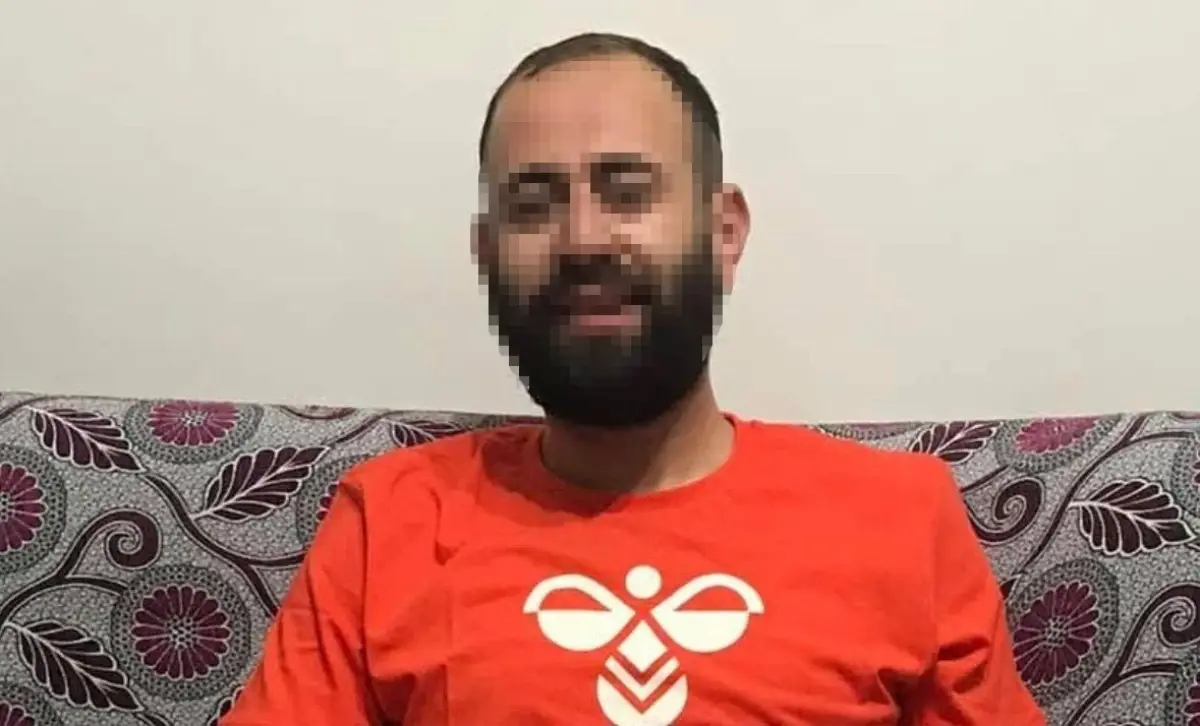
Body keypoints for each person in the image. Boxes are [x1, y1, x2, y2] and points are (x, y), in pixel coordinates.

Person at [222, 32, 1046, 726]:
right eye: (534, 203)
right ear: (486, 253)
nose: (583, 239)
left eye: (627, 192)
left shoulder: (900, 516)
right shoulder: (389, 519)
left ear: (724, 231)